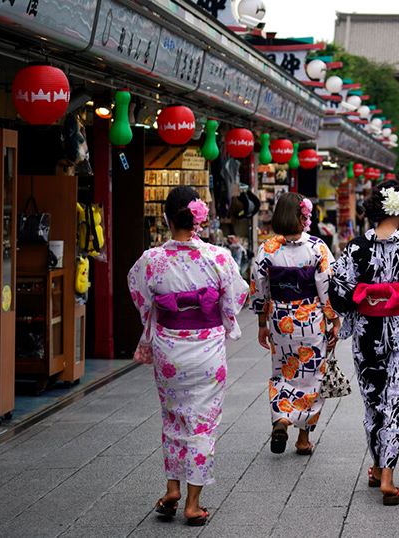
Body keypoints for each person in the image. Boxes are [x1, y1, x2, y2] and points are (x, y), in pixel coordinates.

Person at [128, 187, 249, 527]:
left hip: (170, 349)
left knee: (173, 418)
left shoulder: (151, 260)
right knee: (203, 423)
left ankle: (171, 489)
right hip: (208, 348)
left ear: (167, 218)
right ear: (198, 218)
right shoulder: (218, 257)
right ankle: (193, 504)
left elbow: (140, 295)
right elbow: (236, 296)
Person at [328, 179, 399, 506]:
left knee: (373, 398)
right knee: (398, 398)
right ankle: (387, 476)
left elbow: (339, 293)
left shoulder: (355, 247)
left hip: (367, 331)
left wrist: (363, 298)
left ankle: (378, 467)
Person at [249, 193, 340, 456]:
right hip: (310, 317)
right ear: (303, 216)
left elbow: (259, 288)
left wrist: (262, 322)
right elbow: (327, 288)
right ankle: (302, 439)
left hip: (280, 318)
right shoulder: (316, 247)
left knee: (283, 372)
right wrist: (334, 319)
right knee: (311, 377)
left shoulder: (267, 250)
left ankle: (281, 418)